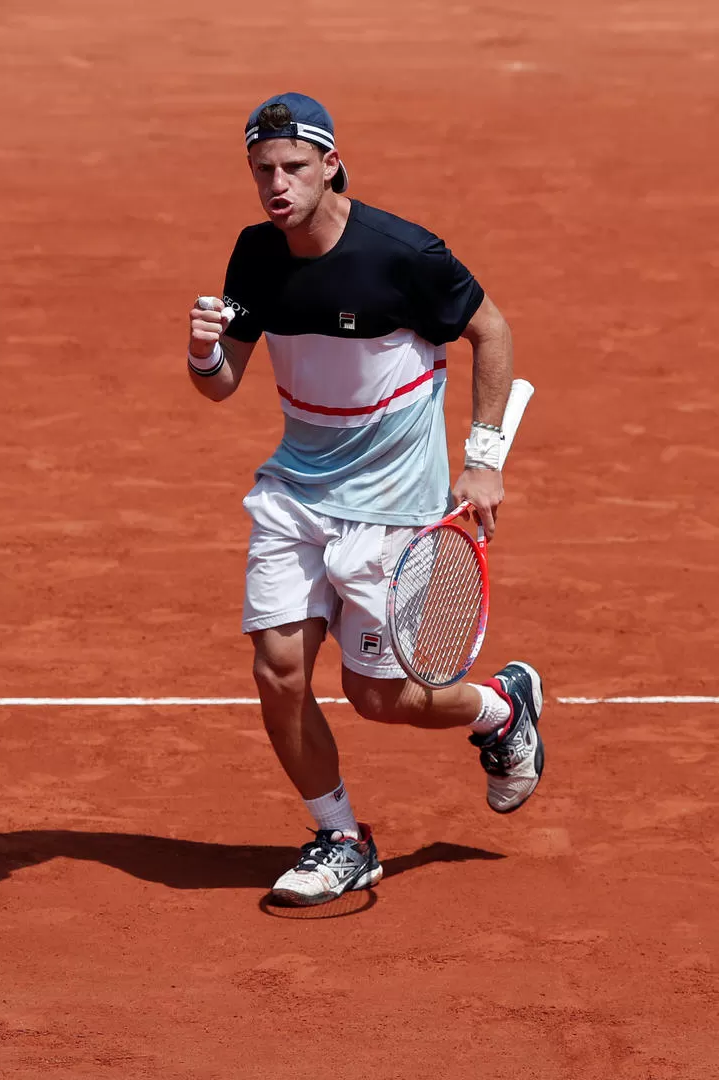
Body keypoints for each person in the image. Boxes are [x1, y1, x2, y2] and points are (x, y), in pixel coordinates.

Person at [186, 92, 544, 907]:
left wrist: (482, 461)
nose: (277, 186)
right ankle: (340, 837)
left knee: (379, 698)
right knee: (277, 673)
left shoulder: (402, 255)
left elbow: (490, 330)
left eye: (293, 169)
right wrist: (205, 354)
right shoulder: (255, 254)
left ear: (330, 164)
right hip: (294, 492)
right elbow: (220, 387)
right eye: (262, 171)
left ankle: (497, 707)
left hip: (391, 507)